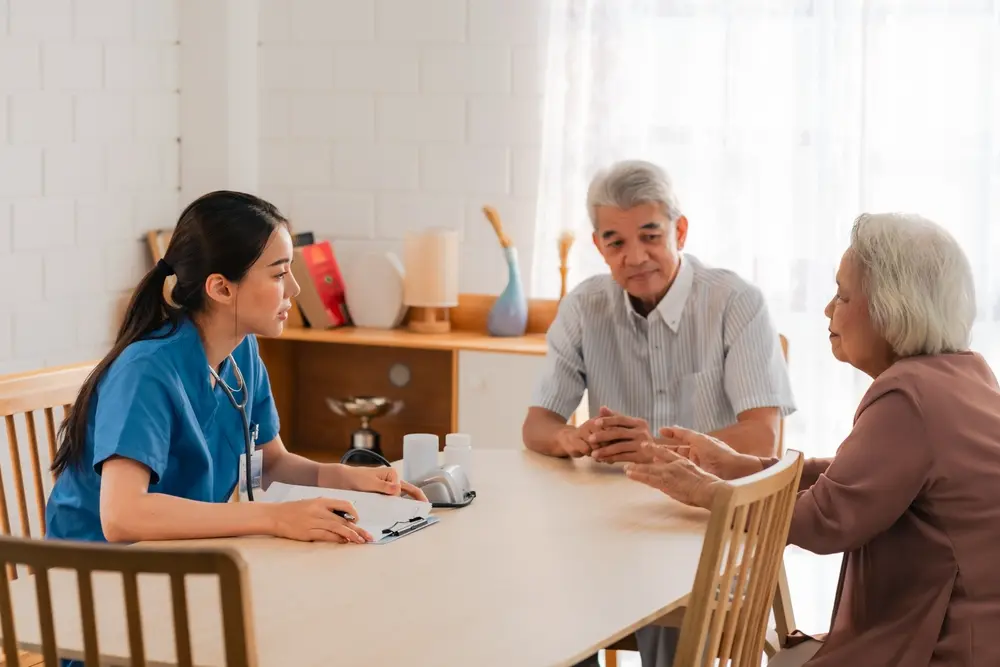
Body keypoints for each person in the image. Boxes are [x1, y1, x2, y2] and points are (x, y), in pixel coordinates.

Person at [626, 212, 1000, 666]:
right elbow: (856, 480)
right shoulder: (965, 373)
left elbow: (827, 519)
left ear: (892, 307)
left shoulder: (908, 396)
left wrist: (708, 491)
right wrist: (745, 468)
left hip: (941, 648)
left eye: (842, 295)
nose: (827, 309)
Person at [522, 160, 796, 667]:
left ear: (680, 231)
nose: (635, 257)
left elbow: (763, 439)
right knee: (540, 596)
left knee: (670, 605)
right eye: (616, 243)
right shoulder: (583, 307)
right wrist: (572, 438)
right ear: (599, 246)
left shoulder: (736, 302)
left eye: (650, 236)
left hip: (709, 520)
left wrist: (652, 450)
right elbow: (537, 425)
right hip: (609, 522)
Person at [45, 190, 426, 546]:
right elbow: (122, 517)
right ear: (221, 288)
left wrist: (344, 478)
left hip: (177, 559)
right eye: (279, 274)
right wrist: (274, 518)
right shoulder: (145, 371)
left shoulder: (241, 352)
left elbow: (272, 463)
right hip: (97, 576)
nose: (294, 289)